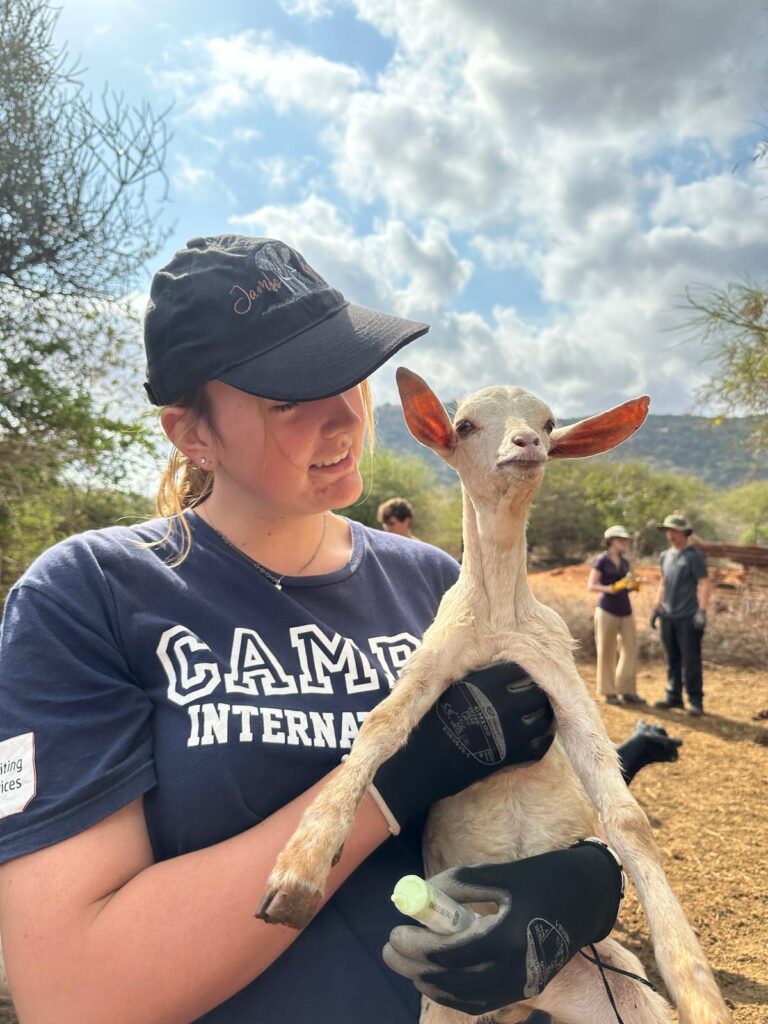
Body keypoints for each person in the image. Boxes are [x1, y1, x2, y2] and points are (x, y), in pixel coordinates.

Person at [0, 235, 623, 1024]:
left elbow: (547, 797)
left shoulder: (436, 584)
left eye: (348, 376)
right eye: (286, 397)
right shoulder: (89, 595)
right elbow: (71, 994)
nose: (345, 420)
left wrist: (585, 882)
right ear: (193, 435)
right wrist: (388, 787)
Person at [650, 511, 710, 717]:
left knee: (690, 659)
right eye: (668, 531)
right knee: (672, 658)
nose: (670, 535)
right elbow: (663, 582)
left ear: (684, 533)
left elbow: (704, 583)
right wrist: (656, 608)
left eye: (674, 531)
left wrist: (702, 611)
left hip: (688, 616)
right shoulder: (665, 556)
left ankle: (695, 700)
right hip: (668, 615)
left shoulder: (694, 556)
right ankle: (673, 697)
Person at [587, 525, 644, 706]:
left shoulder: (626, 562)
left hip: (625, 609)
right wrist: (611, 588)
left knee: (631, 648)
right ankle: (608, 691)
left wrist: (633, 585)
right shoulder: (601, 561)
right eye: (620, 539)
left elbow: (628, 582)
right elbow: (591, 585)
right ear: (611, 540)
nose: (624, 542)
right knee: (606, 650)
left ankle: (627, 690)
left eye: (625, 539)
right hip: (606, 609)